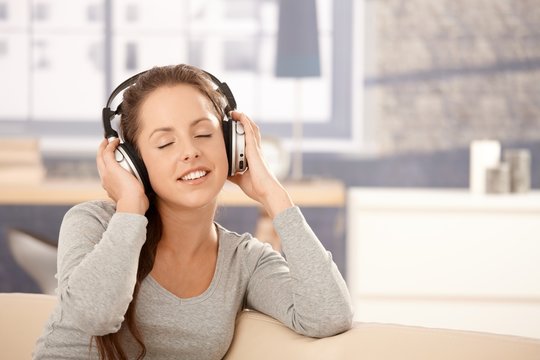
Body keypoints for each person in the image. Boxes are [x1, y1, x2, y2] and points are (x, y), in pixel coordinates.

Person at [33, 64, 353, 359]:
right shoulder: (92, 223)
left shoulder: (244, 261)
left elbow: (328, 315)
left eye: (203, 134)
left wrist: (272, 192)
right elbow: (93, 315)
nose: (190, 151)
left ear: (232, 144)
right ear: (133, 163)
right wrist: (130, 206)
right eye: (164, 143)